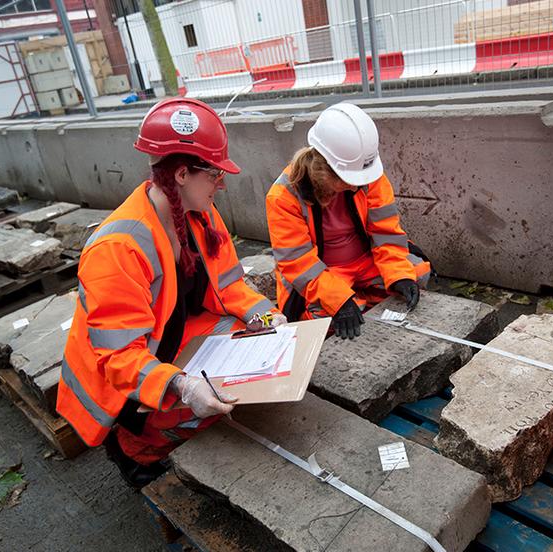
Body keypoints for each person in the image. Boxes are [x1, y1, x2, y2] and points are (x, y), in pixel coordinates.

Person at [56, 98, 283, 488]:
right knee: (203, 404)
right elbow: (120, 357)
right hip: (124, 383)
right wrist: (182, 385)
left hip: (171, 343)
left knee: (242, 367)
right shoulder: (117, 248)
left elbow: (229, 285)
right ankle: (133, 449)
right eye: (213, 173)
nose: (222, 182)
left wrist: (265, 317)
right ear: (181, 174)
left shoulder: (200, 212)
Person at [265, 102, 433, 339]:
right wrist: (338, 300)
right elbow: (298, 264)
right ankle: (354, 297)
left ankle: (361, 297)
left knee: (415, 274)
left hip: (366, 261)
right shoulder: (283, 196)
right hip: (324, 271)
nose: (356, 185)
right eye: (346, 179)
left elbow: (386, 234)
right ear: (322, 170)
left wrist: (398, 275)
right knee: (321, 317)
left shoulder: (368, 175)